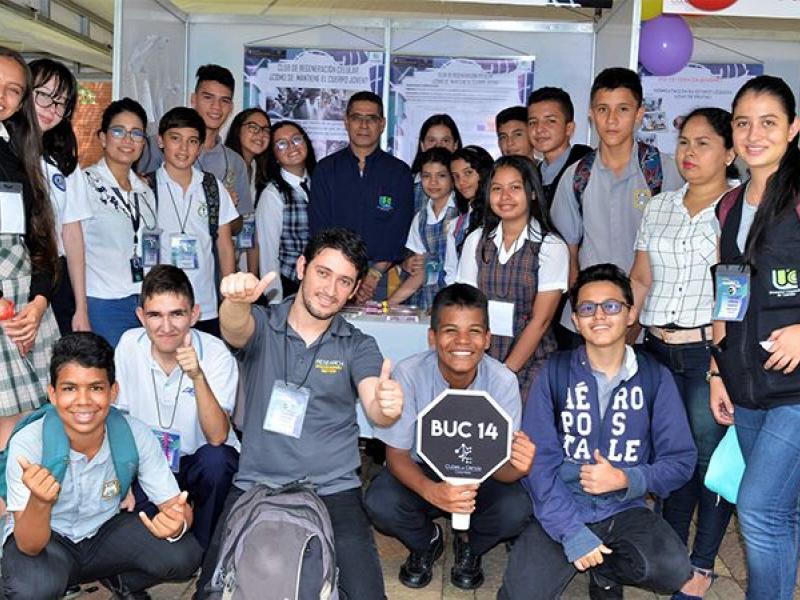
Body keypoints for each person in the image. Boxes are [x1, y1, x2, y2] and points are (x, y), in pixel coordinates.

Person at [196, 228, 404, 600]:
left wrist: (385, 408)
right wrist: (237, 302)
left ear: (354, 290)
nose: (330, 289)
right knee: (210, 591)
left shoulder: (357, 344)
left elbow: (374, 401)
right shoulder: (263, 324)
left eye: (344, 282)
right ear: (303, 266)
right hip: (256, 483)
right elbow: (235, 327)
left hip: (333, 488)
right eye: (323, 273)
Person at [499, 263, 696, 600]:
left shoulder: (654, 377)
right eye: (587, 308)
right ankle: (579, 549)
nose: (599, 316)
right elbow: (538, 463)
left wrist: (627, 479)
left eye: (612, 306)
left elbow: (680, 461)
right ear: (575, 320)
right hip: (562, 505)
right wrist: (570, 531)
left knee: (674, 570)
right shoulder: (554, 373)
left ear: (631, 314)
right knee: (520, 595)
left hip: (624, 508)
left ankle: (604, 570)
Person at [0, 332, 203, 600]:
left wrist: (178, 523)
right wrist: (40, 501)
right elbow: (29, 545)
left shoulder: (135, 433)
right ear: (52, 394)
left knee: (185, 555)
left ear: (113, 392)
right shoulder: (29, 443)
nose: (83, 401)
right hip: (49, 540)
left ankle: (118, 580)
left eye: (96, 388)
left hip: (104, 534)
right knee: (31, 589)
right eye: (70, 388)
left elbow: (174, 506)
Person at [629, 107, 737, 599]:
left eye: (703, 143)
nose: (689, 152)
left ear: (730, 152)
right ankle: (672, 552)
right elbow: (641, 279)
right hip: (654, 349)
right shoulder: (660, 205)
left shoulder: (740, 210)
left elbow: (734, 293)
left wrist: (719, 360)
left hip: (705, 354)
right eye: (685, 142)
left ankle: (701, 562)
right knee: (667, 456)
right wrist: (618, 330)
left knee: (708, 461)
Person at [365, 283, 534, 591]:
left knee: (517, 509)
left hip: (481, 476)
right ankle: (427, 541)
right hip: (425, 471)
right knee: (380, 501)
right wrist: (433, 492)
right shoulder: (409, 373)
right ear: (432, 338)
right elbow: (397, 456)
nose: (462, 341)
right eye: (450, 330)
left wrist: (519, 468)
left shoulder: (503, 382)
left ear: (487, 339)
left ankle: (470, 542)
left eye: (474, 332)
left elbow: (502, 467)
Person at [709, 75, 800, 600]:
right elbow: (730, 291)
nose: (754, 134)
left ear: (793, 129)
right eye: (743, 122)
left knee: (760, 509)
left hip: (794, 390)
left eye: (769, 122)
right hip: (746, 386)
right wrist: (717, 369)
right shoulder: (731, 204)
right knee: (779, 513)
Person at [550, 67, 683, 348]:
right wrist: (583, 309)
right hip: (590, 321)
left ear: (638, 114)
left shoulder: (663, 171)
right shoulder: (577, 176)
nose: (611, 120)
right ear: (591, 113)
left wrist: (638, 317)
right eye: (602, 109)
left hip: (650, 323)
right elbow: (569, 255)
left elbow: (676, 252)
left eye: (622, 109)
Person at [114, 265, 239, 551]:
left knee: (217, 462)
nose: (166, 327)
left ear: (194, 314)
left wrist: (197, 376)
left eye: (177, 314)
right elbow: (118, 419)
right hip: (151, 465)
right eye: (155, 315)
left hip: (200, 461)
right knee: (146, 533)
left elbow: (218, 436)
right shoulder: (128, 346)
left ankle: (207, 549)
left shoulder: (217, 353)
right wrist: (123, 479)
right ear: (140, 317)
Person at [457, 155, 568, 400]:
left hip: (532, 361)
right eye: (497, 189)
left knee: (521, 433)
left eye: (515, 188)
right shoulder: (476, 241)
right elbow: (465, 309)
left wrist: (505, 373)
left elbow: (540, 321)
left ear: (532, 193)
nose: (504, 196)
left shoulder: (550, 247)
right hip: (480, 359)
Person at [0, 47, 61, 452]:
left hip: (27, 308)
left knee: (39, 427)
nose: (1, 96)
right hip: (6, 309)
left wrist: (38, 304)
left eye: (12, 90)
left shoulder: (20, 154)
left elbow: (41, 240)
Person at [308, 91, 414, 303]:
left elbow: (400, 229)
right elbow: (319, 228)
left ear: (382, 124)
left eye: (372, 119)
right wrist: (347, 273)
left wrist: (373, 274)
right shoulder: (326, 170)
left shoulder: (399, 172)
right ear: (346, 122)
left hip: (383, 278)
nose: (364, 125)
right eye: (357, 118)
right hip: (334, 277)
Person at [146, 106, 238, 336]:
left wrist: (229, 297)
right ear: (160, 141)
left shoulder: (211, 186)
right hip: (159, 305)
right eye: (175, 139)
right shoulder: (146, 186)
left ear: (199, 147)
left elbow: (225, 244)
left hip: (204, 305)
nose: (183, 149)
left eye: (192, 141)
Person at [82, 98, 157, 347]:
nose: (128, 140)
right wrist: (80, 308)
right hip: (103, 302)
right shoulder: (85, 184)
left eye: (136, 133)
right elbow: (69, 250)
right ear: (103, 138)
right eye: (118, 131)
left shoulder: (144, 190)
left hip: (144, 301)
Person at [138, 64, 254, 219]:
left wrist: (223, 207)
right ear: (194, 99)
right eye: (208, 97)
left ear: (231, 107)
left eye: (224, 101)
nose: (216, 107)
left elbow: (239, 225)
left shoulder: (235, 162)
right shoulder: (153, 146)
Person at [29, 58, 92, 336]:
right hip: (16, 270)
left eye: (60, 102)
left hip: (57, 275)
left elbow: (72, 233)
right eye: (43, 95)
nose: (51, 109)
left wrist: (81, 307)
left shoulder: (63, 161)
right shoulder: (7, 152)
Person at [388, 148, 461, 309]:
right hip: (427, 301)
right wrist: (388, 304)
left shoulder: (462, 214)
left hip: (458, 300)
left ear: (453, 178)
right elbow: (421, 272)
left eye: (441, 176)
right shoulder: (420, 219)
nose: (433, 182)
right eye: (427, 176)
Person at [255, 120, 316, 303]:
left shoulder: (320, 183)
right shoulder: (272, 194)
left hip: (318, 282)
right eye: (282, 144)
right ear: (274, 154)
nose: (292, 147)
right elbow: (268, 253)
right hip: (289, 284)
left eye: (296, 139)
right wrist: (274, 300)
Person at [526, 86, 592, 206]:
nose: (539, 129)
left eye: (550, 121)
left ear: (569, 128)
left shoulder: (586, 172)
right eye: (533, 122)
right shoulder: (531, 176)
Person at [224, 107, 271, 274]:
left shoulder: (258, 170)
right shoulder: (224, 165)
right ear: (238, 130)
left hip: (240, 264)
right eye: (253, 127)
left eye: (266, 129)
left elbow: (252, 228)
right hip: (220, 261)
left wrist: (253, 276)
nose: (260, 134)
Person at [410, 114, 462, 212]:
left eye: (445, 140)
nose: (438, 146)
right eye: (432, 140)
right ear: (422, 145)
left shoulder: (465, 183)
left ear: (455, 145)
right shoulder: (407, 183)